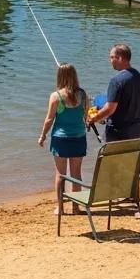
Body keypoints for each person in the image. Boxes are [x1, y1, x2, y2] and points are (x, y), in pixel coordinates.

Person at [37, 63, 88, 214]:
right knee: (76, 174)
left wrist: (43, 135)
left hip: (61, 139)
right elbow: (86, 116)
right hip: (79, 137)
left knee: (61, 174)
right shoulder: (83, 95)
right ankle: (75, 206)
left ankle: (60, 207)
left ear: (60, 76)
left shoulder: (56, 96)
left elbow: (49, 119)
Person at [87, 43, 140, 142]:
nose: (110, 61)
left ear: (119, 58)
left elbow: (109, 109)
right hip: (137, 130)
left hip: (118, 132)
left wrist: (93, 119)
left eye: (112, 57)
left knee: (111, 158)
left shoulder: (116, 81)